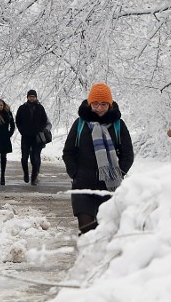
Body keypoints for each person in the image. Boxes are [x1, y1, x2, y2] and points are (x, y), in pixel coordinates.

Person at [62, 83, 134, 234]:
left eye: (103, 104)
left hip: (109, 188)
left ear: (110, 104)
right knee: (86, 228)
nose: (99, 108)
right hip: (83, 185)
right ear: (90, 104)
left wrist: (118, 173)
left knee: (106, 232)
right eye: (95, 104)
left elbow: (128, 155)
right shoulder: (80, 124)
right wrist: (75, 173)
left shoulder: (118, 125)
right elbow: (68, 152)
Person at [15, 89, 49, 185]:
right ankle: (26, 173)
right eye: (30, 96)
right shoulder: (22, 108)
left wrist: (40, 129)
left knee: (35, 157)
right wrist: (22, 130)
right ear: (27, 97)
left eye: (33, 96)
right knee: (24, 157)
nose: (32, 98)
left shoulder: (40, 108)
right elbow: (18, 121)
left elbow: (44, 120)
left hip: (36, 137)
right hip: (25, 136)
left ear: (36, 97)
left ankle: (34, 177)